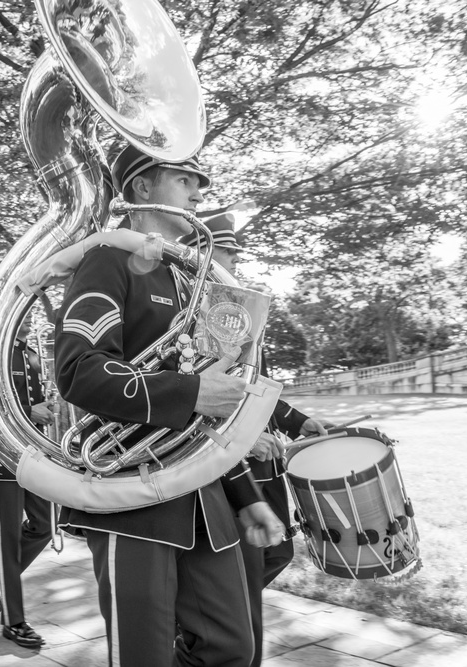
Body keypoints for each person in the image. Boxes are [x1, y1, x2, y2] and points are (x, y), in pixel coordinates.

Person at [53, 146, 285, 667]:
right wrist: (191, 392)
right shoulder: (107, 261)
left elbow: (207, 410)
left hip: (204, 496)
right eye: (185, 180)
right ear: (141, 187)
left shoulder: (188, 280)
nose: (200, 192)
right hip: (130, 498)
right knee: (143, 656)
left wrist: (246, 494)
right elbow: (79, 370)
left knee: (232, 647)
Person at [180, 214, 328, 666]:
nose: (232, 262)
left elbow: (252, 381)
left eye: (234, 254)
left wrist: (297, 421)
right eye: (225, 253)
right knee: (246, 573)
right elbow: (198, 394)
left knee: (276, 552)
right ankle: (197, 634)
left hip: (259, 459)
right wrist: (244, 442)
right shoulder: (191, 309)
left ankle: (205, 630)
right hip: (224, 463)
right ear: (202, 254)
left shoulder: (232, 305)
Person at [0, 314, 54, 648]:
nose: (26, 314)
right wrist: (29, 410)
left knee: (46, 524)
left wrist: (43, 409)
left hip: (32, 452)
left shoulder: (29, 353)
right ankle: (14, 621)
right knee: (7, 535)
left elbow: (31, 399)